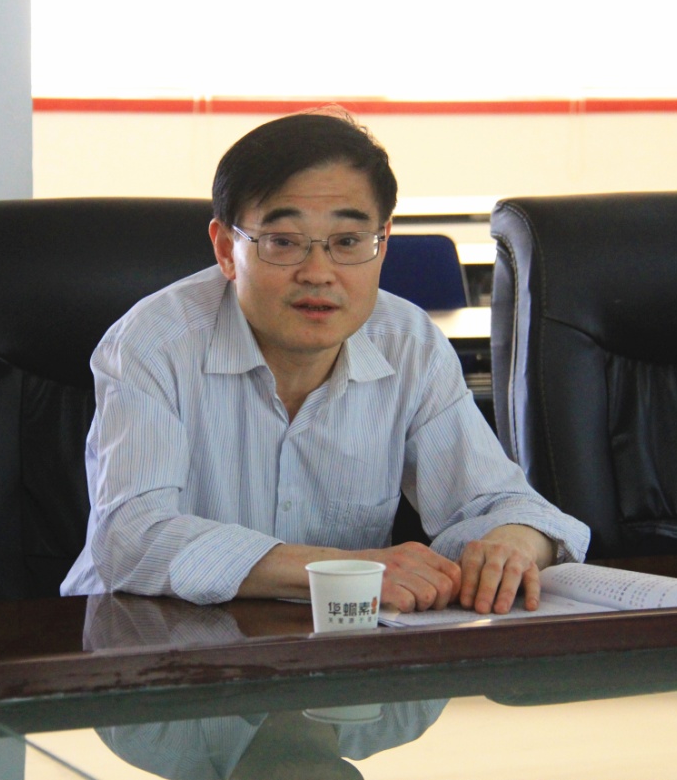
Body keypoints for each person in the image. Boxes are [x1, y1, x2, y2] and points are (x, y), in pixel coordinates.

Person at [61, 110, 589, 614]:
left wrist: (514, 542)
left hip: (330, 644)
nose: (318, 272)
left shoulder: (408, 344)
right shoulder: (154, 343)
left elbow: (501, 503)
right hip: (139, 638)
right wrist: (347, 570)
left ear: (383, 245)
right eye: (283, 242)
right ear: (225, 249)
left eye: (348, 241)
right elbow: (131, 538)